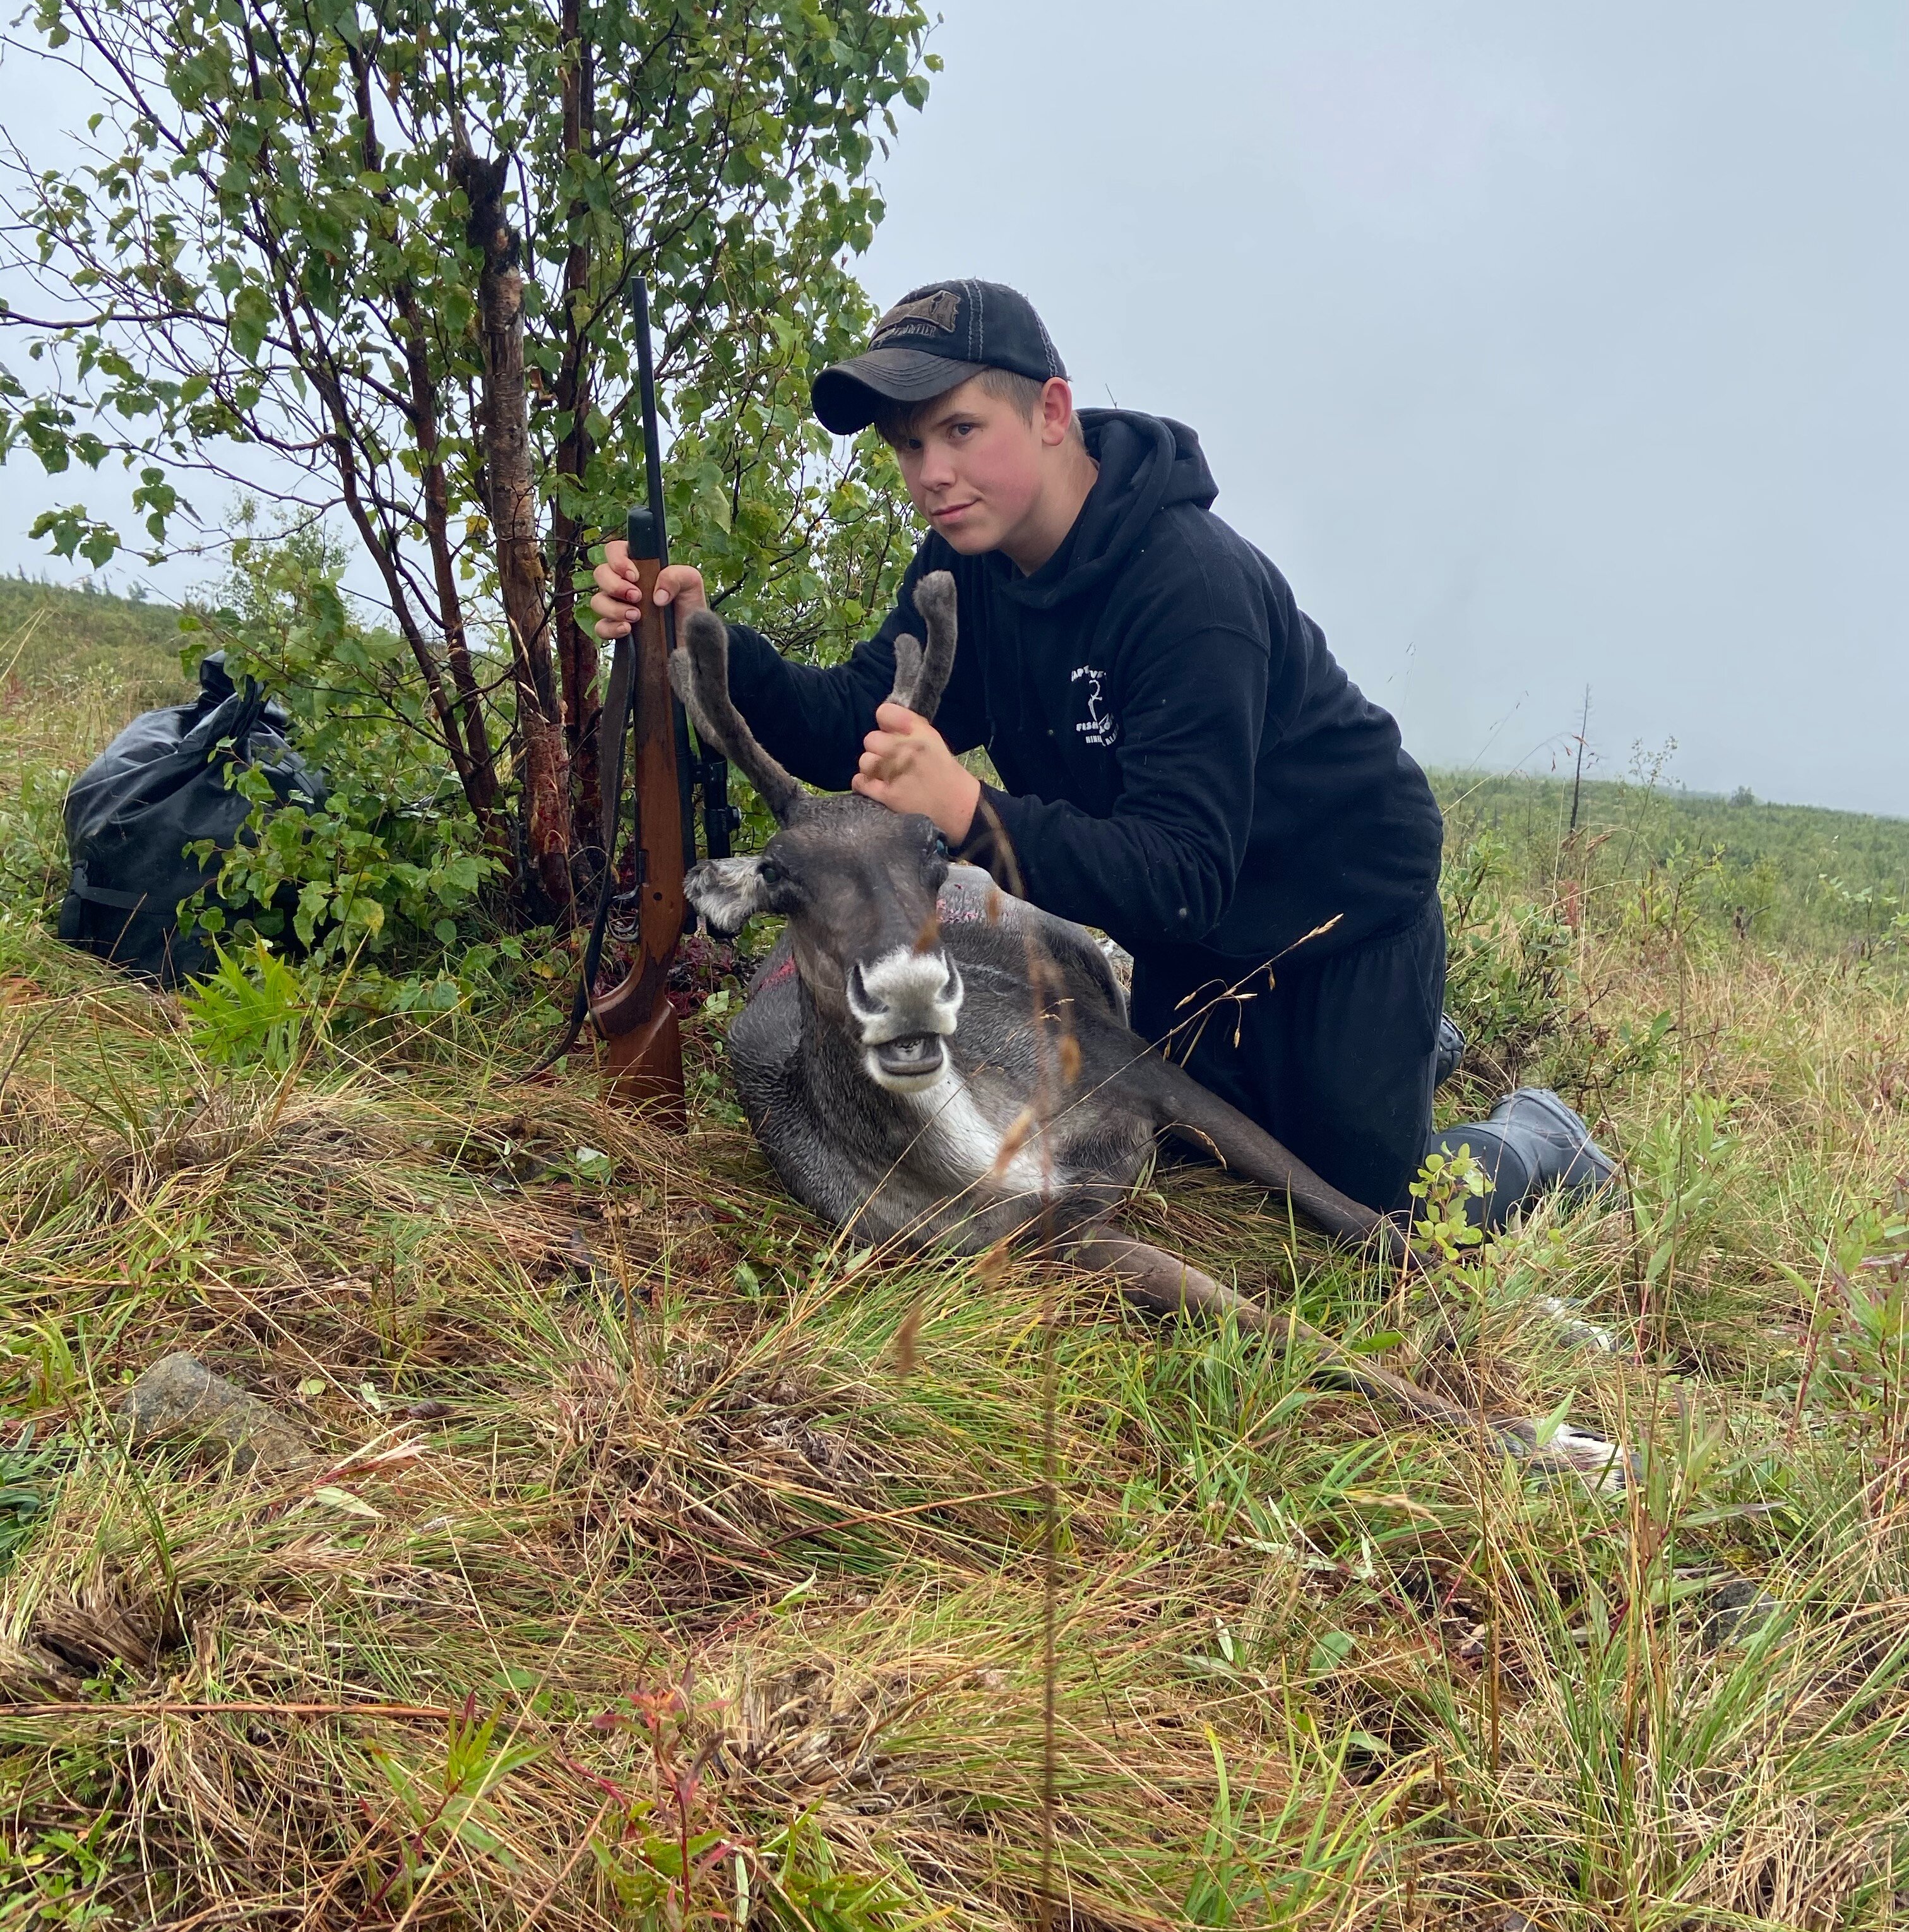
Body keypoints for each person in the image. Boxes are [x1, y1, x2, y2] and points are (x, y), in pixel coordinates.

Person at [591, 277, 1612, 1225]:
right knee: (1188, 1152)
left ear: (1049, 413)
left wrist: (966, 810)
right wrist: (697, 635)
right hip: (1196, 952)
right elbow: (853, 729)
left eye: (959, 429)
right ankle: (1407, 1056)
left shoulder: (1189, 589)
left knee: (1381, 1209)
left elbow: (1181, 877)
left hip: (1339, 927)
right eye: (909, 447)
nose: (932, 475)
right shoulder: (970, 558)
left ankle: (1535, 1133)